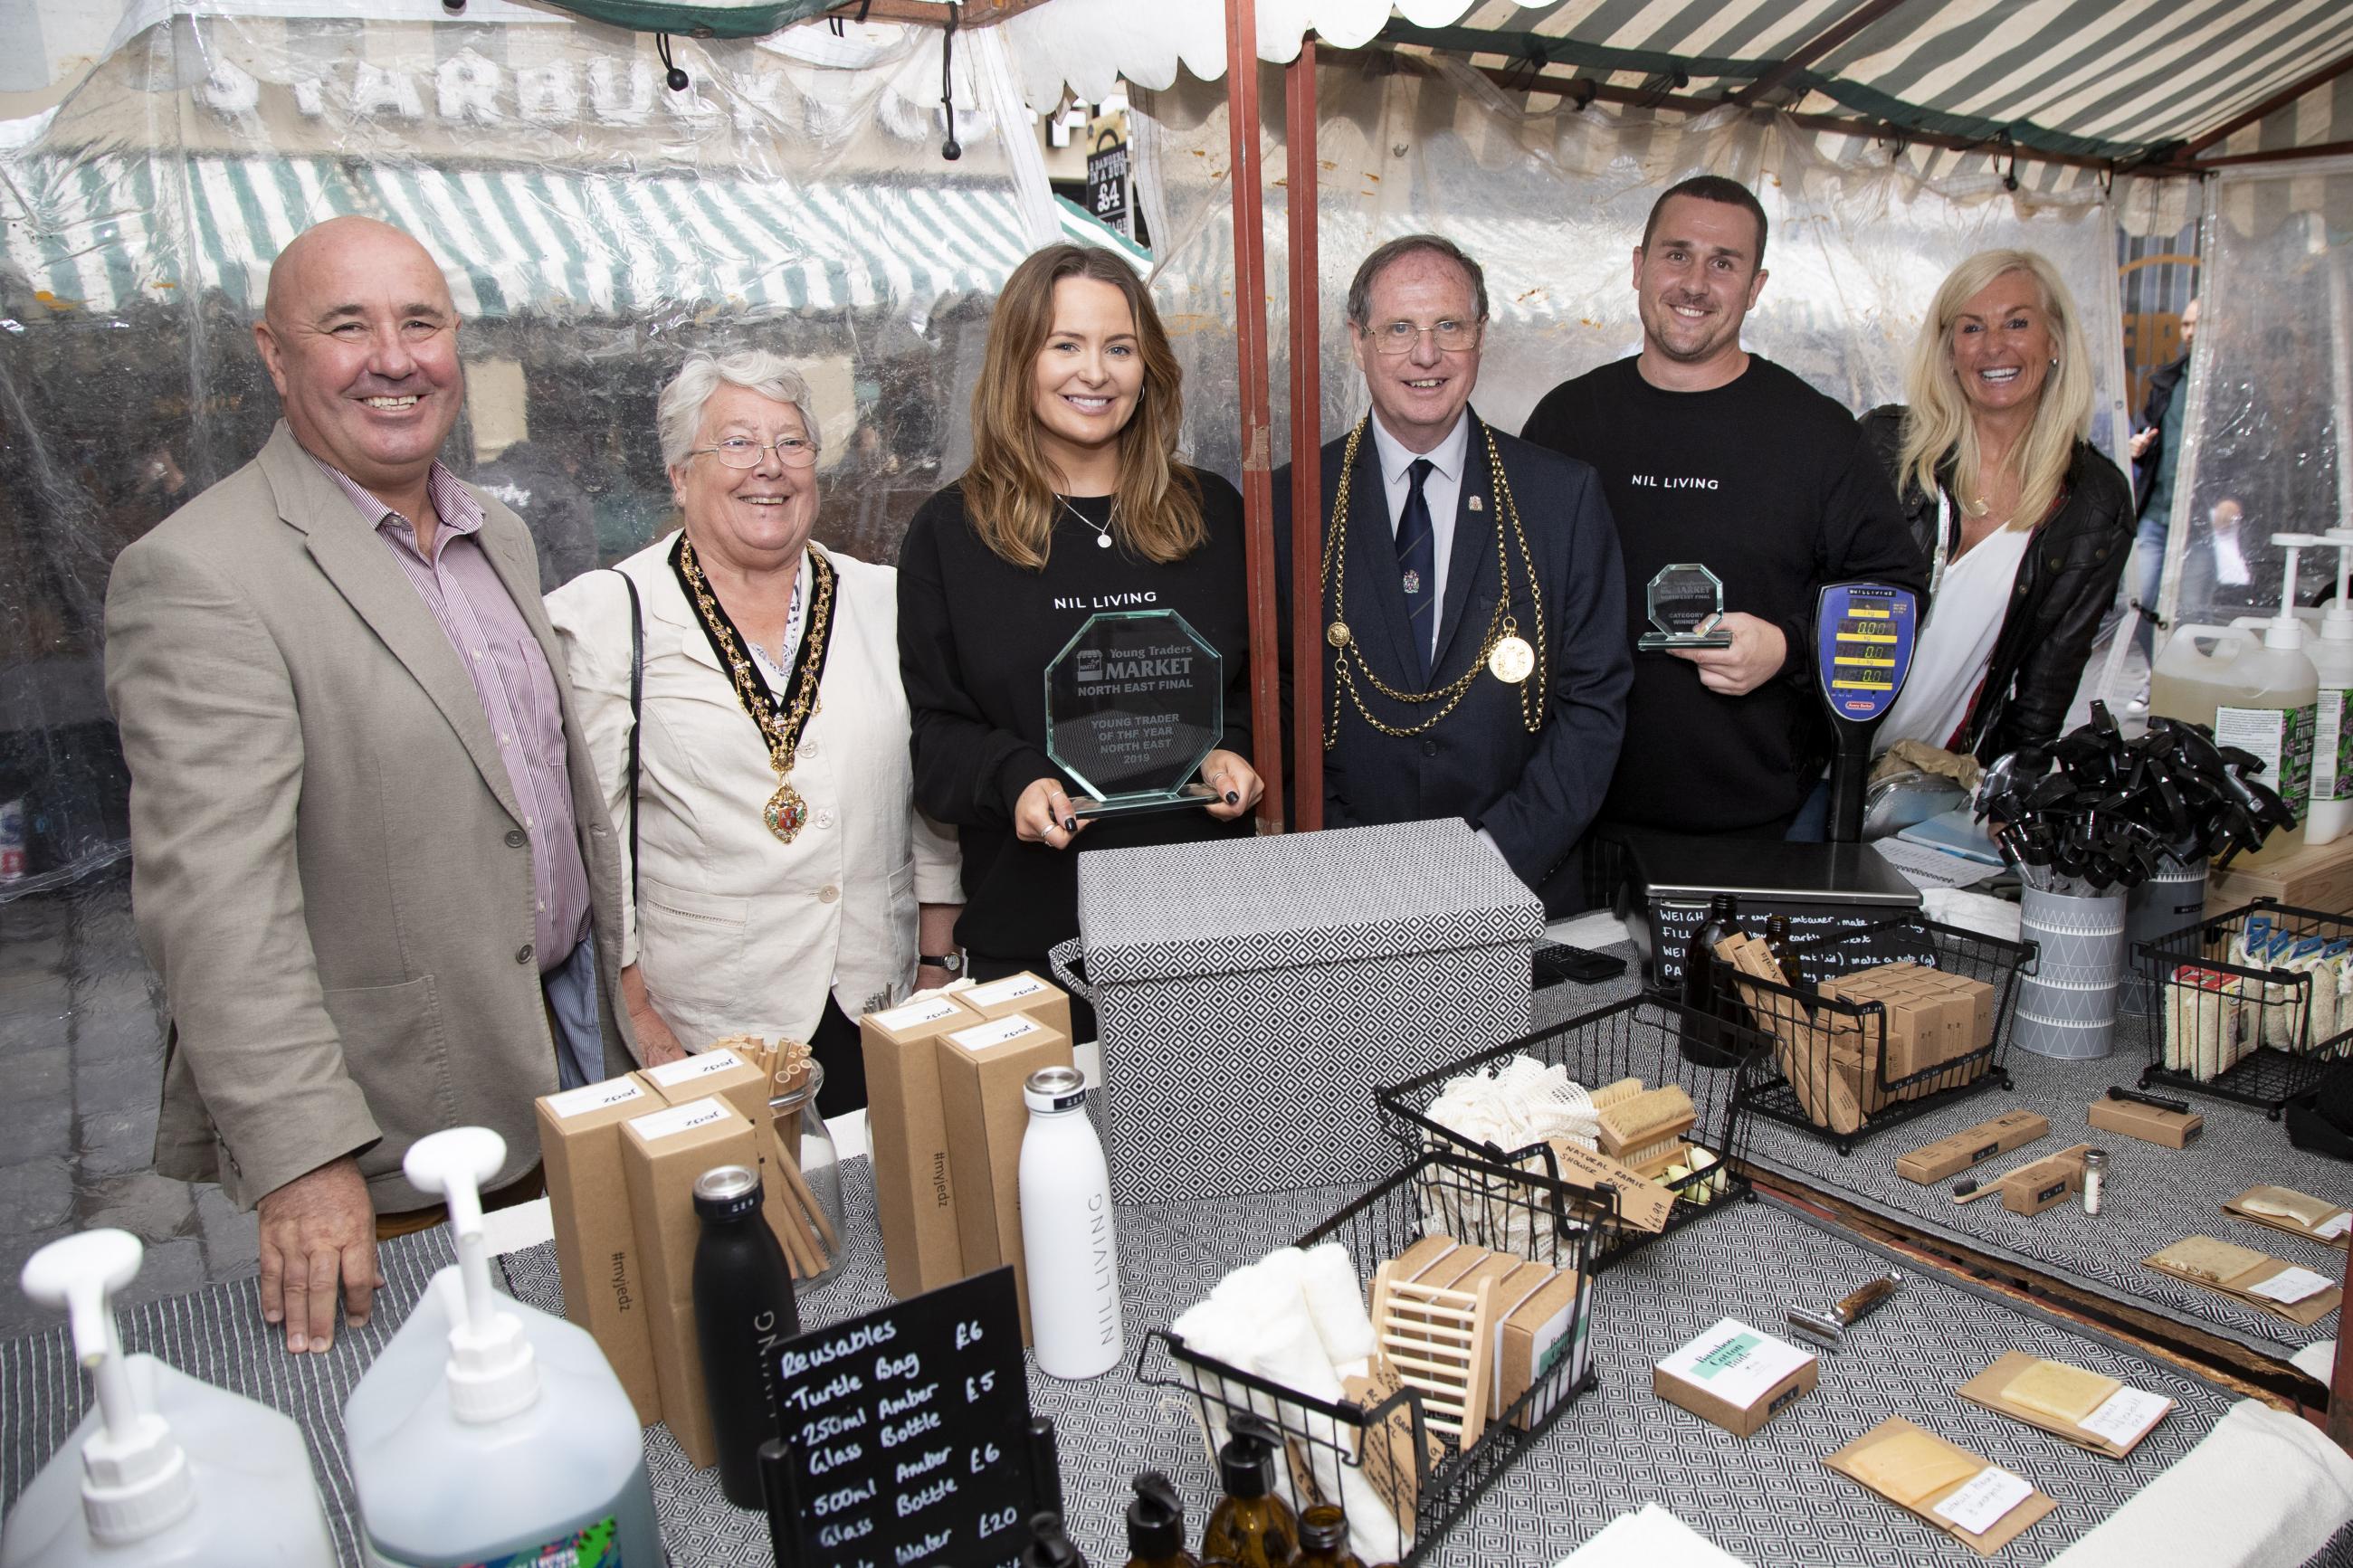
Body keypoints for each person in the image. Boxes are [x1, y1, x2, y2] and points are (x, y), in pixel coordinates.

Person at [103, 216, 634, 1354]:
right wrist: (303, 1158)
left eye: (421, 322)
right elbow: (215, 906)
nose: (394, 357)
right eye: (347, 326)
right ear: (273, 353)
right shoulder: (202, 575)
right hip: (396, 1142)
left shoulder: (496, 532)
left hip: (560, 1066)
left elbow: (532, 802)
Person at [546, 351, 962, 1111]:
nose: (768, 467)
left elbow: (928, 793)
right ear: (678, 473)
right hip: (704, 1029)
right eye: (735, 443)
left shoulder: (887, 599)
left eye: (792, 443)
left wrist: (936, 965)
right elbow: (592, 840)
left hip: (881, 1001)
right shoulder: (608, 617)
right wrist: (639, 1015)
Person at [899, 243, 1263, 1019]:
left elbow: (1265, 687)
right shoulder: (949, 534)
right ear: (1017, 362)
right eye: (1065, 345)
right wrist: (1014, 775)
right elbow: (936, 738)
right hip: (1034, 947)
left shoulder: (1216, 516)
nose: (1094, 373)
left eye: (1119, 348)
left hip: (1213, 930)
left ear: (1148, 367)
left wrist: (1238, 747)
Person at [1520, 175, 1924, 842]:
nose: (1695, 282)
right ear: (1638, 266)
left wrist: (1789, 646)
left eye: (1724, 263)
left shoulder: (1818, 435)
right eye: (1677, 254)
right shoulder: (1567, 419)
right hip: (1572, 813)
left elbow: (1893, 594)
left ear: (1756, 287)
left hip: (1754, 824)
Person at [1272, 235, 1630, 913]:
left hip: (1518, 889)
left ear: (1481, 335)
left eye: (1448, 327)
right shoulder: (1292, 505)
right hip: (1340, 887)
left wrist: (1493, 859)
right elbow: (1275, 701)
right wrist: (1355, 860)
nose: (1426, 354)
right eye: (1399, 328)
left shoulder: (1562, 498)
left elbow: (1595, 704)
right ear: (1357, 339)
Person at [1860, 251, 2132, 762]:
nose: (1994, 347)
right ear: (1948, 351)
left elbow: (2046, 686)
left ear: (2054, 341)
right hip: (1804, 757)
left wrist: (2009, 796)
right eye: (1971, 328)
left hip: (1926, 779)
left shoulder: (2095, 501)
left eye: (2018, 323)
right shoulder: (1884, 446)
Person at [2129, 297, 2197, 670]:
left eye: (2197, 323)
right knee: (2139, 601)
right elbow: (2152, 431)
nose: (2190, 332)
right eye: (2185, 324)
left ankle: (2180, 686)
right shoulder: (2168, 381)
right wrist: (2139, 445)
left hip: (2200, 523)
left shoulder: (2236, 386)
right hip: (2156, 513)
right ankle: (2161, 677)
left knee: (2191, 611)